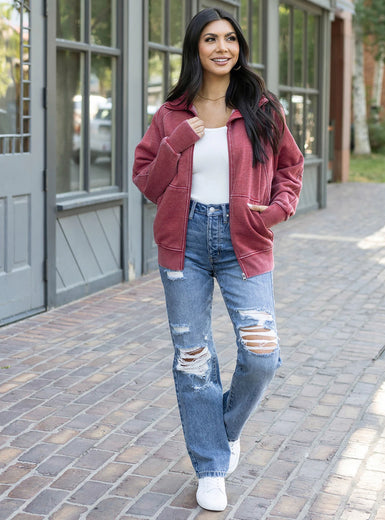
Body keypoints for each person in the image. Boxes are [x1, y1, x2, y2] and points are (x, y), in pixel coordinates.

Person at [132, 7, 304, 512]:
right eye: (211, 39)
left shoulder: (261, 106)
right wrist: (180, 140)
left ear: (239, 46)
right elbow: (149, 182)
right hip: (183, 241)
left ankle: (220, 433)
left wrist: (275, 210)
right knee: (194, 360)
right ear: (196, 49)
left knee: (262, 356)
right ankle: (211, 466)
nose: (222, 47)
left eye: (230, 39)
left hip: (243, 240)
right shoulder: (171, 113)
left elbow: (290, 168)